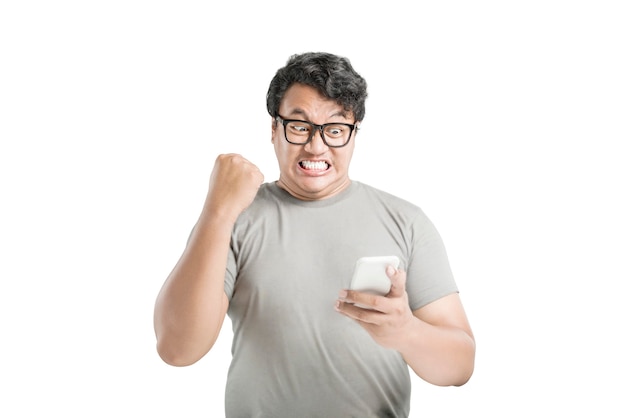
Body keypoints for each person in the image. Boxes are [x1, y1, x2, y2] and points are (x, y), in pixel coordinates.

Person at [153, 51, 475, 417]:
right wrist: (217, 209)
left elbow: (460, 367)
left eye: (335, 129)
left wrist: (404, 331)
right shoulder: (233, 217)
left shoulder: (407, 221)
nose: (316, 146)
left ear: (353, 135)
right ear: (274, 129)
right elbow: (177, 349)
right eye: (300, 126)